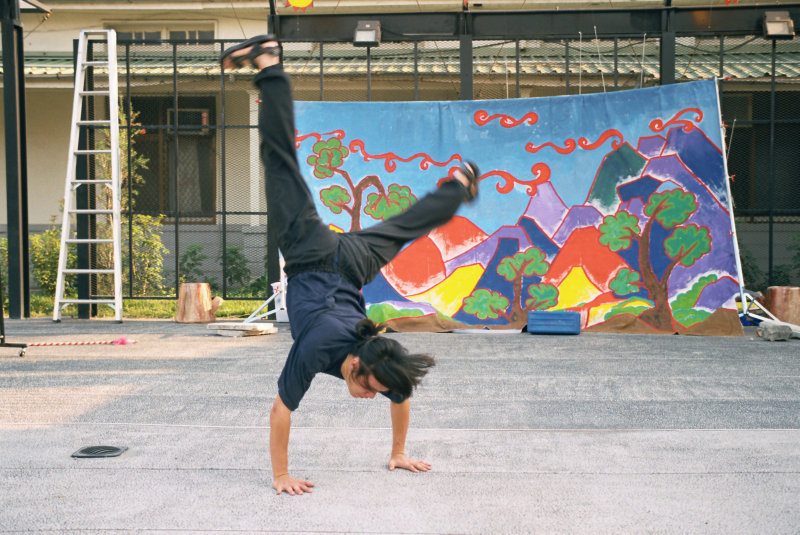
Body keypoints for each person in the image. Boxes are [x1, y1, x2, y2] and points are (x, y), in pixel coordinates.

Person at [222, 35, 480, 496]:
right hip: (311, 254)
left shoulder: (381, 360)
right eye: (370, 388)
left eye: (374, 391)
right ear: (356, 362)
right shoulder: (319, 347)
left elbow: (399, 396)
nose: (369, 395)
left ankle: (460, 185)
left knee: (408, 225)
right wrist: (280, 477)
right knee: (280, 162)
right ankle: (269, 61)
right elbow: (281, 410)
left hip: (352, 263)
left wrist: (399, 452)